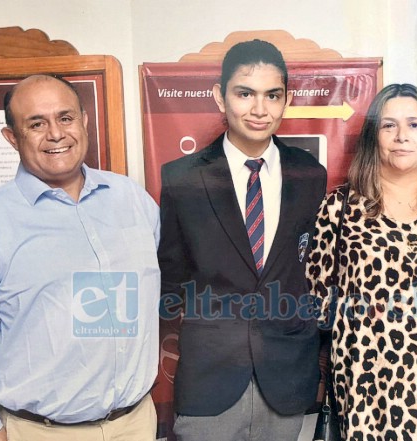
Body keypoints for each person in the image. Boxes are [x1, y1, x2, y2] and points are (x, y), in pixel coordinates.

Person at [0, 74, 160, 441]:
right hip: (40, 432)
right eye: (37, 124)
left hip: (136, 424)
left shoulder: (132, 199)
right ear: (12, 138)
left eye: (65, 118)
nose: (56, 133)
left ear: (84, 121)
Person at [157, 39, 327, 441]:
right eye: (245, 93)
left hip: (286, 380)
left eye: (273, 95)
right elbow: (171, 280)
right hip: (210, 383)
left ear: (286, 100)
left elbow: (314, 273)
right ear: (220, 96)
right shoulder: (182, 178)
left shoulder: (309, 175)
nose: (259, 109)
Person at [307, 83, 417, 440]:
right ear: (374, 136)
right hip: (366, 386)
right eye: (389, 126)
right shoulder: (339, 207)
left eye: (415, 125)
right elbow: (316, 301)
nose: (402, 136)